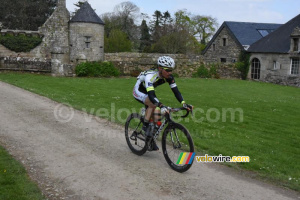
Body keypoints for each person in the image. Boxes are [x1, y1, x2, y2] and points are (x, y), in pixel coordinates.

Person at [132, 56, 192, 151]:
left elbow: (176, 91)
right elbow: (151, 95)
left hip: (149, 91)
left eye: (171, 70)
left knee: (157, 118)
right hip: (139, 90)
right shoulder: (150, 77)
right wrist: (161, 105)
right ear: (160, 68)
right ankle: (145, 126)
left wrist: (184, 103)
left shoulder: (169, 77)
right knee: (153, 104)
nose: (170, 73)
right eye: (167, 70)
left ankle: (150, 139)